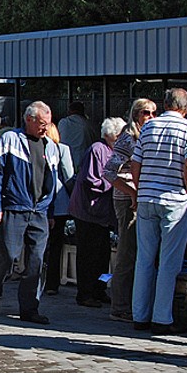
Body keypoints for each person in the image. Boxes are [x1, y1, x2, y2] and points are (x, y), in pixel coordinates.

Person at [130, 88, 187, 334]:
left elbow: (135, 163)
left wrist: (141, 189)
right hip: (174, 199)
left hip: (147, 197)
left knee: (145, 258)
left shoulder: (148, 127)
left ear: (164, 104)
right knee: (169, 262)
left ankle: (139, 315)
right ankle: (162, 318)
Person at [0, 101, 61, 325]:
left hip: (39, 211)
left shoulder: (51, 146)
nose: (45, 128)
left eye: (48, 123)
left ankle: (29, 308)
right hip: (15, 207)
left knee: (37, 259)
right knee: (8, 254)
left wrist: (51, 211)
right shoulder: (11, 140)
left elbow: (53, 182)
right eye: (41, 123)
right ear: (29, 119)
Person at [102, 98, 156, 322]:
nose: (150, 117)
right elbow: (109, 172)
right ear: (136, 114)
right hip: (127, 200)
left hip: (142, 198)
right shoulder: (128, 137)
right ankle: (120, 305)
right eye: (146, 113)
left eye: (154, 113)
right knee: (127, 250)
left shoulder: (147, 136)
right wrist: (132, 192)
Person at [69, 117, 124, 307]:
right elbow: (91, 181)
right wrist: (116, 183)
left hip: (102, 214)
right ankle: (85, 294)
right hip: (88, 212)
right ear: (111, 135)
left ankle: (99, 289)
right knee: (88, 254)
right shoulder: (97, 150)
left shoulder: (113, 151)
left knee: (102, 254)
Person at [42, 123, 74, 296]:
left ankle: (38, 278)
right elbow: (68, 176)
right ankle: (52, 283)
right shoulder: (62, 149)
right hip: (59, 203)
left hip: (42, 203)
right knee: (56, 246)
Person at [57, 101, 99, 173]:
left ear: (70, 111)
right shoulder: (88, 124)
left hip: (66, 159)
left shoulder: (63, 122)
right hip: (84, 160)